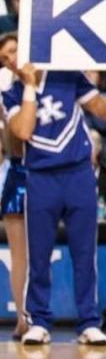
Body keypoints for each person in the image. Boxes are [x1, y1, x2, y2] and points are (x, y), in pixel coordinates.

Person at [3, 60, 106, 346]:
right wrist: (30, 87)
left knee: (85, 252)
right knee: (39, 254)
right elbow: (23, 131)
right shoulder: (11, 93)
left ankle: (89, 321)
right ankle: (39, 321)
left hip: (78, 173)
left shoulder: (68, 73)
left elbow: (104, 112)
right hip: (40, 177)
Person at [0, 33, 27, 339]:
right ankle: (22, 316)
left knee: (41, 250)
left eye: (16, 50)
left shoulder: (47, 78)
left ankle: (38, 314)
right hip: (19, 172)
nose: (12, 57)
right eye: (7, 55)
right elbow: (14, 140)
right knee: (19, 253)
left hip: (50, 173)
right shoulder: (6, 86)